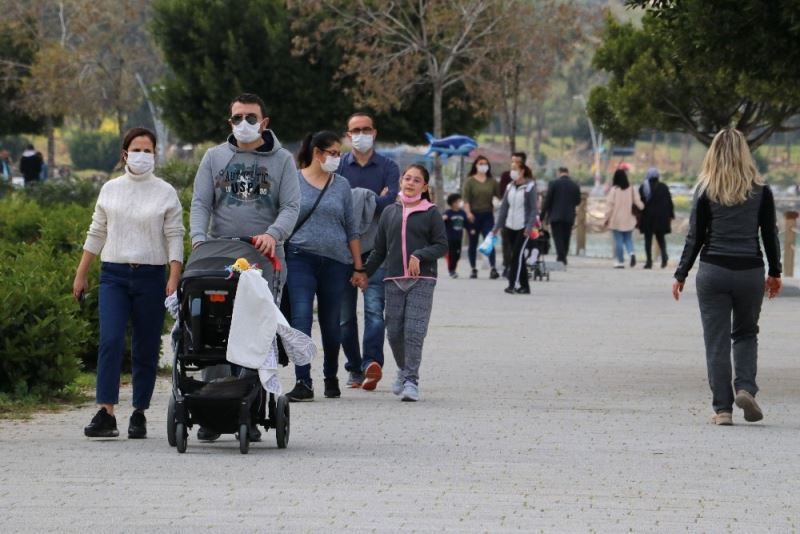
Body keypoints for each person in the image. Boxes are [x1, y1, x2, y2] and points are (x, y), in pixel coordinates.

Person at [190, 92, 300, 441]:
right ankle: (211, 412)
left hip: (264, 258)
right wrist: (197, 239)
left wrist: (273, 233)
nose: (244, 124)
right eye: (237, 118)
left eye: (251, 117)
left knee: (254, 334)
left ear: (264, 122)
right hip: (222, 254)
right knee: (213, 331)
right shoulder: (214, 157)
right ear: (230, 122)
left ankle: (248, 411)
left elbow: (291, 206)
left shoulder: (282, 160)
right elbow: (200, 203)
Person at [74, 127, 184, 439]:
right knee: (110, 340)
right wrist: (81, 273)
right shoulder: (110, 189)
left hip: (151, 276)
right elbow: (96, 231)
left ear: (155, 155)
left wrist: (174, 276)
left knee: (146, 346)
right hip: (114, 274)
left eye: (148, 150)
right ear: (125, 152)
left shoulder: (165, 192)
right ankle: (106, 411)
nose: (142, 155)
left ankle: (139, 412)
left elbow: (174, 235)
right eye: (136, 149)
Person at [672, 128, 782, 426]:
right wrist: (775, 272)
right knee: (746, 333)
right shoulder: (761, 191)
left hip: (714, 271)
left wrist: (680, 273)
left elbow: (695, 236)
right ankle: (745, 387)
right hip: (749, 271)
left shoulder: (706, 189)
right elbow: (770, 235)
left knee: (717, 341)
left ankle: (723, 410)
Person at [282, 131, 364, 402]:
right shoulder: (293, 180)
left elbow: (351, 228)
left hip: (336, 262)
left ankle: (331, 377)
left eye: (339, 154)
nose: (336, 158)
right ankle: (303, 381)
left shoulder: (341, 185)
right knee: (301, 317)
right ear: (317, 153)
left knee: (331, 324)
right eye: (332, 153)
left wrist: (359, 267)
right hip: (299, 257)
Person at [362, 164, 447, 402]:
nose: (410, 183)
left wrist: (420, 255)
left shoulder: (431, 212)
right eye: (407, 178)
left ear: (424, 186)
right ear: (400, 181)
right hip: (394, 279)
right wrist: (363, 273)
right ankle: (403, 369)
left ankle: (411, 380)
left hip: (423, 279)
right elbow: (379, 250)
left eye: (416, 180)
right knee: (394, 332)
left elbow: (442, 245)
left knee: (414, 331)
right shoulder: (390, 212)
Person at [336, 112, 399, 391]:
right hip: (342, 252)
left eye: (366, 129)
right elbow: (334, 203)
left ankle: (372, 363)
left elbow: (392, 202)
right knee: (344, 317)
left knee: (375, 311)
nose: (361, 134)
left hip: (377, 251)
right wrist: (376, 197)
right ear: (348, 135)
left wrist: (362, 199)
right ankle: (353, 367)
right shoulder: (337, 167)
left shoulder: (388, 166)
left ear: (374, 132)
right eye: (355, 130)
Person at [494, 166, 538, 294]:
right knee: (516, 257)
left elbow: (533, 209)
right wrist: (497, 227)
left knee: (516, 256)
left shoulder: (530, 187)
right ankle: (525, 286)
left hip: (523, 227)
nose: (512, 171)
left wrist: (529, 227)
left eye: (515, 169)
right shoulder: (509, 187)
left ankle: (512, 284)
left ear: (522, 171)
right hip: (509, 226)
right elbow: (504, 208)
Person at [462, 155, 500, 279]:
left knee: (489, 241)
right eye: (481, 163)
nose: (483, 165)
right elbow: (466, 200)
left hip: (488, 215)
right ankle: (473, 268)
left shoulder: (492, 181)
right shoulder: (469, 181)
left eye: (485, 163)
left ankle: (493, 268)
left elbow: (499, 196)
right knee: (473, 243)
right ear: (476, 165)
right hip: (473, 215)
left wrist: (496, 202)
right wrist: (468, 213)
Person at [604, 168, 644, 268]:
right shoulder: (631, 188)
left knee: (618, 240)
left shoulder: (614, 190)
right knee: (628, 239)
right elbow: (638, 202)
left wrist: (606, 217)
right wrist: (643, 207)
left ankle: (620, 261)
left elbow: (609, 205)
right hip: (629, 219)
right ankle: (631, 254)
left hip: (616, 219)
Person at [541, 166, 581, 265]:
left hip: (555, 215)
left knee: (557, 237)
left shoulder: (554, 184)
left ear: (559, 173)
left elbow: (548, 200)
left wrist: (542, 214)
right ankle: (563, 256)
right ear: (568, 173)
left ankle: (561, 257)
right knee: (566, 237)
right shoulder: (575, 185)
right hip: (569, 216)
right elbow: (578, 201)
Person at [639, 167, 674, 269]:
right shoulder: (664, 187)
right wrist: (671, 215)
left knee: (648, 240)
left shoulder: (643, 187)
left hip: (648, 217)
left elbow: (641, 202)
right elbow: (669, 202)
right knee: (661, 239)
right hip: (661, 218)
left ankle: (649, 262)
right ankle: (664, 259)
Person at [443, 193, 470, 278]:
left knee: (457, 255)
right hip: (450, 238)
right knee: (452, 255)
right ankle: (452, 271)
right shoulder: (448, 213)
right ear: (453, 203)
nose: (459, 204)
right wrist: (443, 218)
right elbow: (440, 222)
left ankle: (453, 269)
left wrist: (471, 230)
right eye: (458, 202)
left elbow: (466, 224)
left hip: (458, 238)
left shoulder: (462, 213)